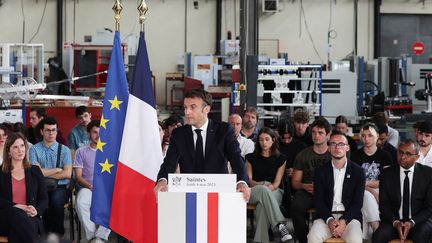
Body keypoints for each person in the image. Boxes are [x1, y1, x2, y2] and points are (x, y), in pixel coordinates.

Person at [154, 89, 250, 201]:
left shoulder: (224, 131)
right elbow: (169, 163)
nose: (187, 112)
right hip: (189, 195)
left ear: (206, 109)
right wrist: (162, 180)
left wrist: (242, 182)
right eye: (185, 107)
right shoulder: (179, 134)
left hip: (219, 194)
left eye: (192, 107)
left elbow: (236, 157)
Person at [307, 131, 365, 243]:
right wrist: (329, 220)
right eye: (333, 144)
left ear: (347, 147)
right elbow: (318, 201)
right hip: (326, 217)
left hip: (350, 218)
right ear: (328, 148)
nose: (337, 147)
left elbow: (357, 203)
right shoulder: (320, 171)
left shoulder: (358, 172)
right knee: (313, 238)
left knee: (355, 240)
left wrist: (344, 221)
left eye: (341, 144)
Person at [373, 140, 432, 243]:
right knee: (379, 235)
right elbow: (384, 205)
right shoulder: (386, 174)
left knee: (422, 234)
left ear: (417, 157)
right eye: (400, 152)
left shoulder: (428, 174)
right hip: (394, 221)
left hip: (419, 221)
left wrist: (412, 222)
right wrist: (395, 222)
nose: (403, 157)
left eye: (408, 154)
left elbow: (430, 207)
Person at [245, 127, 292, 243]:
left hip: (274, 190)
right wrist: (262, 185)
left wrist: (267, 187)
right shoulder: (250, 157)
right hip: (254, 190)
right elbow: (249, 181)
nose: (264, 142)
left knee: (262, 207)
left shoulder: (281, 158)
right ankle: (280, 225)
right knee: (262, 191)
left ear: (273, 140)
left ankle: (260, 241)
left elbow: (277, 182)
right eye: (261, 140)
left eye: (267, 139)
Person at [290, 116, 332, 243]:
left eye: (320, 133)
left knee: (327, 208)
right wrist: (304, 186)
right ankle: (304, 240)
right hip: (307, 190)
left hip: (328, 192)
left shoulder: (334, 154)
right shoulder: (303, 155)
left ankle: (322, 237)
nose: (316, 136)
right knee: (296, 206)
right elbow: (295, 183)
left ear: (328, 135)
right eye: (313, 132)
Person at [0, 132, 48, 242]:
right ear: (8, 151)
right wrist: (18, 206)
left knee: (17, 233)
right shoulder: (1, 172)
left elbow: (44, 199)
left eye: (22, 146)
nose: (20, 150)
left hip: (30, 217)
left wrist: (36, 210)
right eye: (15, 147)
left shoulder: (35, 171)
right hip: (5, 216)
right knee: (16, 214)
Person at [29, 117, 72, 236]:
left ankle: (58, 235)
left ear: (57, 131)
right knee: (39, 203)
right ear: (42, 132)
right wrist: (57, 170)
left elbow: (67, 173)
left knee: (56, 202)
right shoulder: (34, 149)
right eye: (48, 130)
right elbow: (34, 173)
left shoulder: (64, 150)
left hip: (60, 186)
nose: (51, 133)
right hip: (40, 187)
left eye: (54, 130)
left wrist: (42, 171)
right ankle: (43, 233)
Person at [351, 123, 392, 239]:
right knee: (365, 195)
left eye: (370, 135)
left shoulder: (385, 156)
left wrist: (366, 184)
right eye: (363, 136)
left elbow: (386, 181)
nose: (366, 139)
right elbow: (355, 183)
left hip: (382, 189)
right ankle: (376, 228)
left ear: (377, 136)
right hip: (363, 190)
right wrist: (371, 191)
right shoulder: (355, 155)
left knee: (365, 197)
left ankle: (367, 236)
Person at [73, 120, 110, 243]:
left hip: (107, 190)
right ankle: (92, 237)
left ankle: (101, 237)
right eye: (94, 132)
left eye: (101, 132)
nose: (98, 136)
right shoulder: (81, 151)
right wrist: (90, 186)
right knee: (81, 201)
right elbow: (78, 176)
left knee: (115, 203)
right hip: (88, 187)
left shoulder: (110, 152)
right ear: (88, 133)